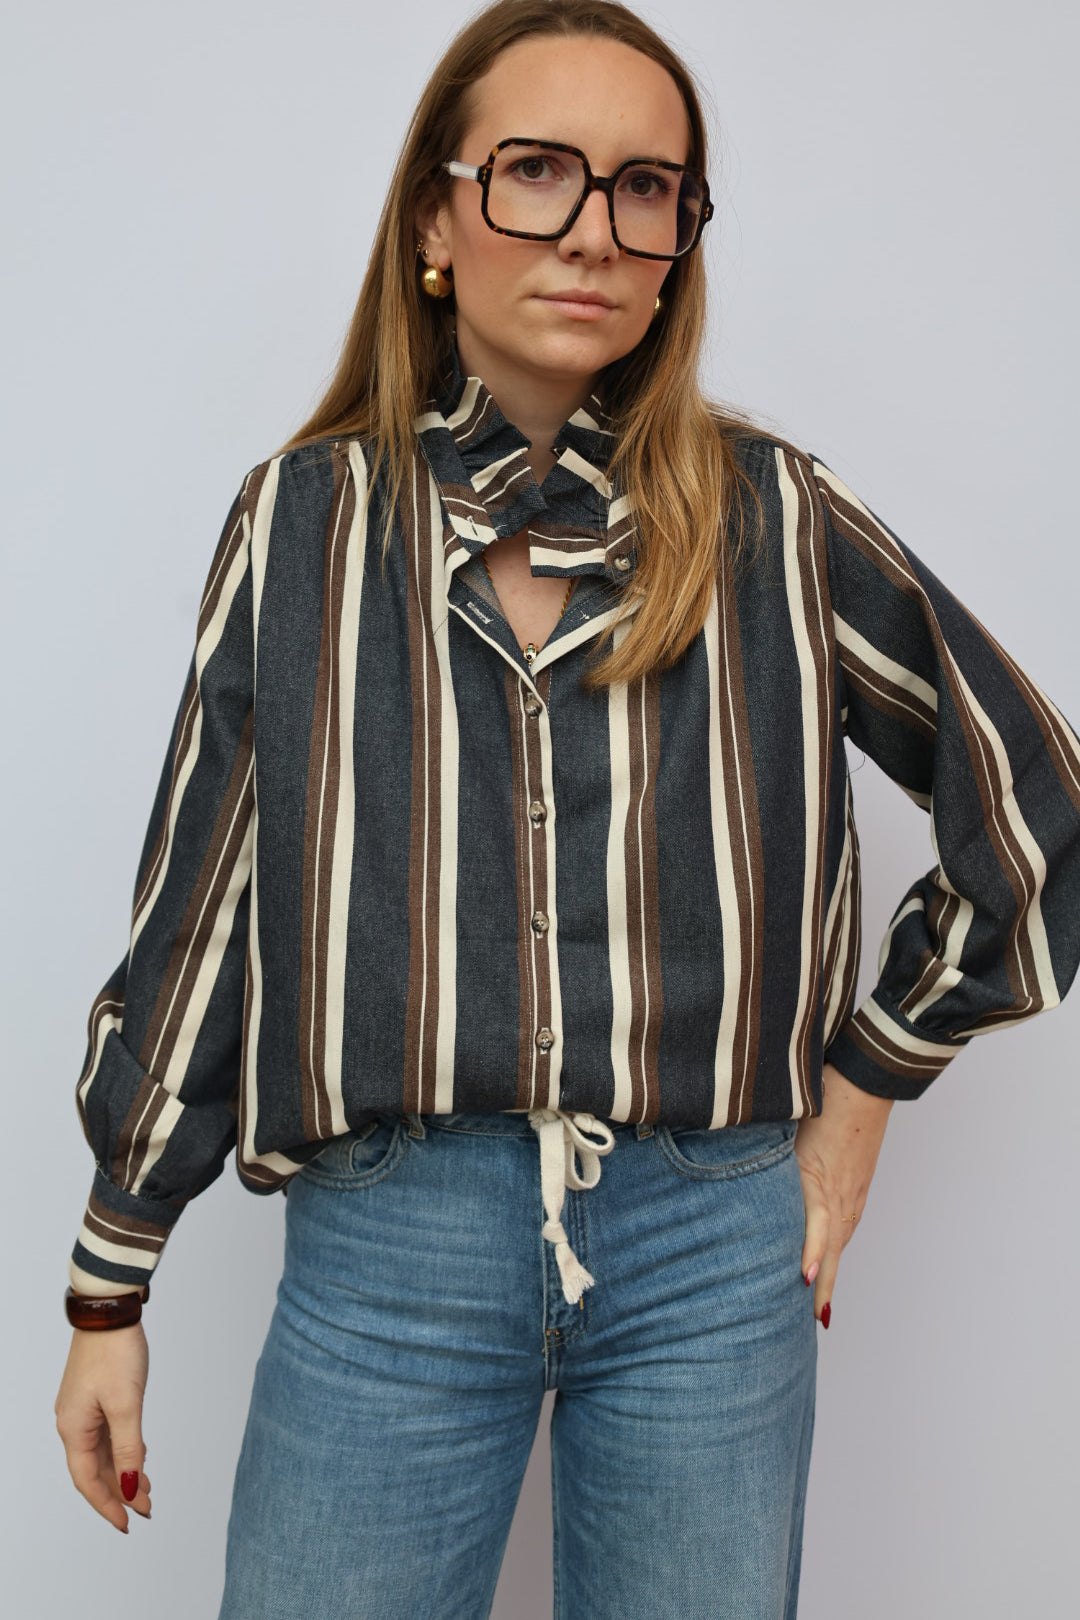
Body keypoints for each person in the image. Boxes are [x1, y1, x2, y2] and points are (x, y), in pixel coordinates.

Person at [52, 1, 1080, 1615]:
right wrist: (111, 1283)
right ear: (435, 218)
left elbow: (1035, 809)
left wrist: (866, 1087)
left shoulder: (774, 520)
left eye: (647, 187)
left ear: (680, 240)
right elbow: (208, 913)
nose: (596, 230)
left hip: (712, 1251)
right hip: (388, 1251)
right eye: (538, 170)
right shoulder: (304, 524)